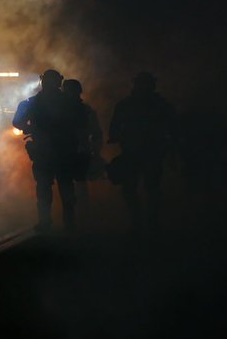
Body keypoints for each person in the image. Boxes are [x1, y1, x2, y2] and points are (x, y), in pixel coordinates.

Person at [13, 69, 84, 233]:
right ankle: (68, 222)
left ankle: (46, 221)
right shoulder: (69, 102)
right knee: (64, 186)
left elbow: (18, 122)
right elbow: (81, 123)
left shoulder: (32, 103)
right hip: (61, 150)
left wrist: (31, 128)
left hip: (47, 151)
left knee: (45, 187)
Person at [108, 71, 176, 235]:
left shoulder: (160, 105)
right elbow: (115, 128)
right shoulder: (129, 105)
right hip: (135, 153)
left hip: (149, 152)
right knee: (133, 189)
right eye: (142, 83)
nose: (144, 87)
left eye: (146, 83)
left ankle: (149, 223)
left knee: (149, 189)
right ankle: (140, 223)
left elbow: (173, 129)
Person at [62, 78, 104, 211]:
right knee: (77, 184)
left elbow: (96, 133)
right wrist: (96, 152)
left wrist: (95, 152)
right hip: (73, 151)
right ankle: (79, 214)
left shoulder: (82, 110)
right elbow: (96, 133)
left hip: (73, 151)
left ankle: (76, 214)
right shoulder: (84, 110)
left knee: (72, 184)